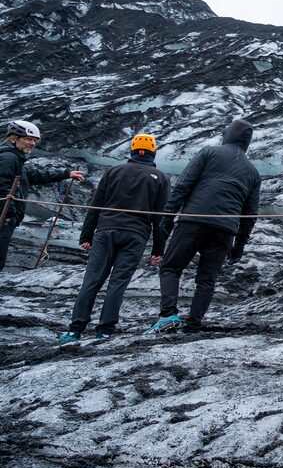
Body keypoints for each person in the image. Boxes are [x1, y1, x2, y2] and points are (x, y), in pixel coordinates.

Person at [149, 119, 261, 334]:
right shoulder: (253, 172)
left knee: (171, 268)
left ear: (228, 135)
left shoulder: (208, 153)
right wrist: (239, 246)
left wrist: (167, 219)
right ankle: (193, 323)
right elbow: (250, 215)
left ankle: (168, 316)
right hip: (225, 230)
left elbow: (183, 186)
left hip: (194, 220)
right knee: (207, 279)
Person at [60, 134, 171, 345]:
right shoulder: (160, 178)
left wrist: (86, 235)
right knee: (118, 282)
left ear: (132, 151)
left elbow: (96, 205)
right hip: (135, 235)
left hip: (106, 230)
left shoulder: (113, 172)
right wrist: (158, 250)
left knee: (92, 279)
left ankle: (75, 330)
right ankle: (105, 330)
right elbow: (160, 219)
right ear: (153, 152)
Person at [0, 119, 86, 271]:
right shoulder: (9, 158)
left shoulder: (15, 158)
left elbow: (32, 176)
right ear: (14, 138)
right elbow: (3, 187)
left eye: (34, 140)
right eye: (28, 139)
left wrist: (65, 173)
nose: (32, 143)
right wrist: (9, 214)